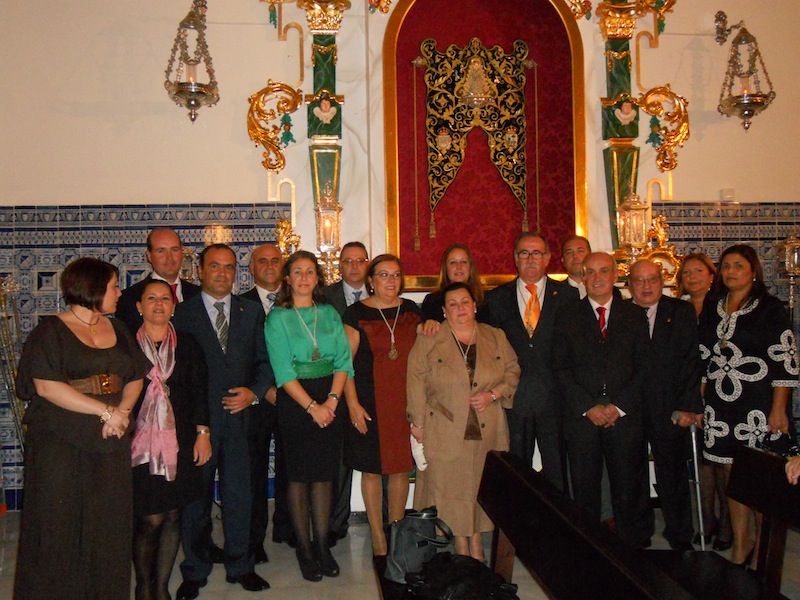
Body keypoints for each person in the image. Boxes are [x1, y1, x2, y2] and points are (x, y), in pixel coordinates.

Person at [14, 257, 149, 600]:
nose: (119, 293)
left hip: (110, 440)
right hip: (60, 439)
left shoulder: (118, 329)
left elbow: (135, 375)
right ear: (93, 289)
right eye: (114, 286)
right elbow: (46, 387)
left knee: (108, 524)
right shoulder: (50, 332)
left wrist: (121, 413)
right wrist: (106, 411)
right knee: (58, 523)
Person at [173, 244, 274, 598]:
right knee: (196, 499)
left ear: (236, 273)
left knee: (239, 497)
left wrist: (254, 393)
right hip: (199, 424)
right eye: (214, 266)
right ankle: (195, 569)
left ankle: (241, 566)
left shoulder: (251, 312)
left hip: (241, 421)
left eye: (229, 267)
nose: (222, 273)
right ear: (200, 271)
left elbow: (266, 362)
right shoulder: (182, 313)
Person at [699, 244, 798, 568]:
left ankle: (765, 549)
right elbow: (703, 354)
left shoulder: (770, 308)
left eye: (738, 265)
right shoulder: (714, 305)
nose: (730, 271)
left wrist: (779, 409)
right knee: (732, 475)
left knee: (759, 477)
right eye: (726, 266)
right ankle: (742, 543)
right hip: (720, 402)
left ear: (753, 271)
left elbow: (784, 361)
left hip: (758, 404)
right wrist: (700, 399)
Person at [408, 282, 520, 560]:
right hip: (444, 425)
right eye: (453, 304)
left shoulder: (495, 336)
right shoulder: (430, 338)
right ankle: (461, 544)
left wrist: (493, 395)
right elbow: (415, 379)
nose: (460, 309)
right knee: (451, 488)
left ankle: (477, 542)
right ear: (444, 311)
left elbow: (513, 371)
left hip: (487, 427)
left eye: (465, 302)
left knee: (480, 486)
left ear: (474, 306)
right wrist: (417, 424)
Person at [553, 252, 653, 547]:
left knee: (628, 488)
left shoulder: (635, 315)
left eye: (604, 271)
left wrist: (619, 406)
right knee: (585, 490)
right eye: (591, 272)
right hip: (583, 418)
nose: (597, 278)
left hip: (623, 417)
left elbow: (644, 368)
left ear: (615, 276)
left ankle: (630, 550)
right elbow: (560, 368)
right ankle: (589, 550)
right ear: (583, 278)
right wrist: (588, 406)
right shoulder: (567, 315)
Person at [265, 250, 354, 582]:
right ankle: (304, 549)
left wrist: (331, 401)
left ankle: (322, 546)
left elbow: (343, 361)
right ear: (287, 279)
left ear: (318, 278)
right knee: (299, 478)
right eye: (297, 272)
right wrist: (312, 408)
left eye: (310, 272)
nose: (304, 277)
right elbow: (283, 372)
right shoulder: (277, 318)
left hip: (330, 396)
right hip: (296, 402)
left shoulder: (329, 313)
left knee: (325, 476)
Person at [131, 280, 212, 600]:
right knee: (150, 518)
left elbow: (200, 392)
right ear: (139, 306)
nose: (159, 304)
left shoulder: (187, 344)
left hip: (180, 441)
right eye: (151, 298)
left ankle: (162, 587)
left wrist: (203, 434)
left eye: (165, 298)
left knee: (174, 514)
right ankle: (144, 586)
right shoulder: (127, 345)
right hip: (140, 445)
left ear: (173, 306)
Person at [478, 232, 578, 490]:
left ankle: (556, 517)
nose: (530, 259)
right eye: (524, 253)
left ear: (547, 258)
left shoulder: (568, 296)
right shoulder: (496, 299)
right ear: (515, 258)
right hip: (514, 399)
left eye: (537, 253)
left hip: (555, 399)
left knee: (557, 472)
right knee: (515, 472)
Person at [342, 254, 421, 556]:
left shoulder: (411, 310)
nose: (391, 280)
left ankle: (396, 532)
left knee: (401, 468)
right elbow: (343, 364)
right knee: (372, 471)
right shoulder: (355, 313)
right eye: (384, 275)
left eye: (396, 275)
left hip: (405, 401)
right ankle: (378, 537)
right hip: (369, 402)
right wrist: (352, 404)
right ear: (371, 281)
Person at [628, 259, 703, 551]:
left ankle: (680, 533)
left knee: (672, 472)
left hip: (670, 407)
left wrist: (688, 407)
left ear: (662, 282)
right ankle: (638, 532)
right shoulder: (621, 312)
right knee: (632, 472)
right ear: (630, 284)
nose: (646, 286)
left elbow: (690, 361)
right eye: (639, 280)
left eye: (652, 279)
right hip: (631, 408)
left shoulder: (680, 311)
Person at [676, 252, 732, 550]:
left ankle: (727, 523)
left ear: (712, 275)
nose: (692, 277)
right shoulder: (678, 309)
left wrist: (704, 387)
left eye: (699, 271)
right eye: (686, 272)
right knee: (701, 461)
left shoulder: (724, 308)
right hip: (690, 393)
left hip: (721, 393)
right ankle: (707, 518)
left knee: (722, 461)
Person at [323, 240, 370, 546]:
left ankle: (384, 521)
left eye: (360, 260)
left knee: (373, 460)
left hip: (372, 387)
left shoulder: (381, 292)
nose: (354, 266)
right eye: (348, 261)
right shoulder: (324, 297)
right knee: (337, 463)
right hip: (333, 388)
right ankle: (333, 524)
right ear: (340, 266)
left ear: (368, 264)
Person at [240, 244, 282, 561]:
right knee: (253, 473)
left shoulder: (297, 301)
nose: (269, 266)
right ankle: (254, 541)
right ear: (252, 268)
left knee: (292, 470)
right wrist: (263, 388)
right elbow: (239, 357)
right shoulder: (239, 305)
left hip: (294, 399)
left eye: (275, 260)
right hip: (256, 402)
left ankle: (288, 530)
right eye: (262, 261)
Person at [117, 228, 201, 334]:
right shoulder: (128, 299)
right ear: (149, 256)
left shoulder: (199, 295)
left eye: (174, 250)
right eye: (161, 251)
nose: (169, 258)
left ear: (182, 253)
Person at [420, 244, 483, 333]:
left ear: (470, 267)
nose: (459, 267)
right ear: (446, 268)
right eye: (453, 262)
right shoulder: (432, 301)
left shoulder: (486, 300)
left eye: (464, 262)